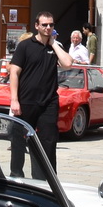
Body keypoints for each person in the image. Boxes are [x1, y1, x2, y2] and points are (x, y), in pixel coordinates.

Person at [7, 11, 72, 179]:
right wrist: (14, 100)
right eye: (44, 25)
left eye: (51, 25)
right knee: (18, 141)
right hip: (26, 101)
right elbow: (14, 72)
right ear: (37, 26)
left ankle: (47, 180)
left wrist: (54, 43)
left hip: (49, 103)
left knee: (48, 143)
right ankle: (16, 176)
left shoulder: (54, 47)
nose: (48, 27)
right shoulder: (25, 46)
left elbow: (67, 63)